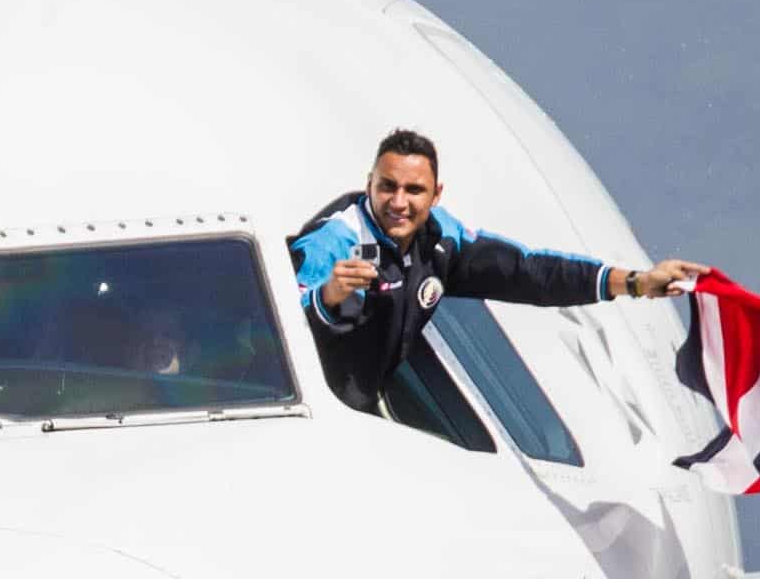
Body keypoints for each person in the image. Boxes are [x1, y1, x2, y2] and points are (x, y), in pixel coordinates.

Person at [290, 128, 708, 417]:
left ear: (436, 195)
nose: (398, 202)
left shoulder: (442, 238)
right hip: (324, 404)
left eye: (413, 190)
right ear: (369, 185)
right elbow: (283, 312)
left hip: (367, 401)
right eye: (387, 187)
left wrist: (634, 282)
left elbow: (528, 272)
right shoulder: (336, 239)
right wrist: (326, 296)